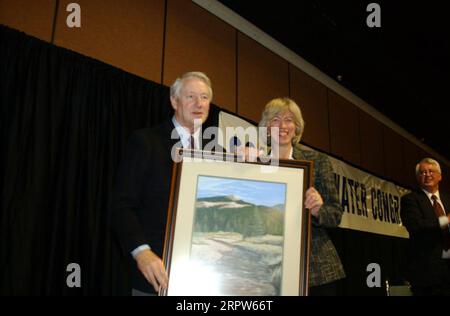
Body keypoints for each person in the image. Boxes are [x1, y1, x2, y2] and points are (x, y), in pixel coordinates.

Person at [111, 71, 218, 295]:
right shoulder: (146, 142)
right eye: (190, 96)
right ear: (174, 101)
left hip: (204, 279)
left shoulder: (218, 152)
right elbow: (121, 205)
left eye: (205, 97)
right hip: (154, 278)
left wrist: (249, 162)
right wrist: (142, 253)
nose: (199, 103)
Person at [258, 97, 345, 295]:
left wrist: (318, 209)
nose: (282, 125)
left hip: (316, 270)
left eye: (289, 120)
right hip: (271, 270)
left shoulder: (317, 161)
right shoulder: (256, 166)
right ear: (266, 127)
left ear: (296, 128)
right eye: (275, 119)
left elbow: (335, 215)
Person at [400, 157, 450, 295]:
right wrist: (445, 221)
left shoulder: (448, 200)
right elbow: (416, 226)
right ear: (417, 177)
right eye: (422, 172)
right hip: (426, 272)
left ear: (440, 176)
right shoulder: (410, 199)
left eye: (431, 171)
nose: (427, 175)